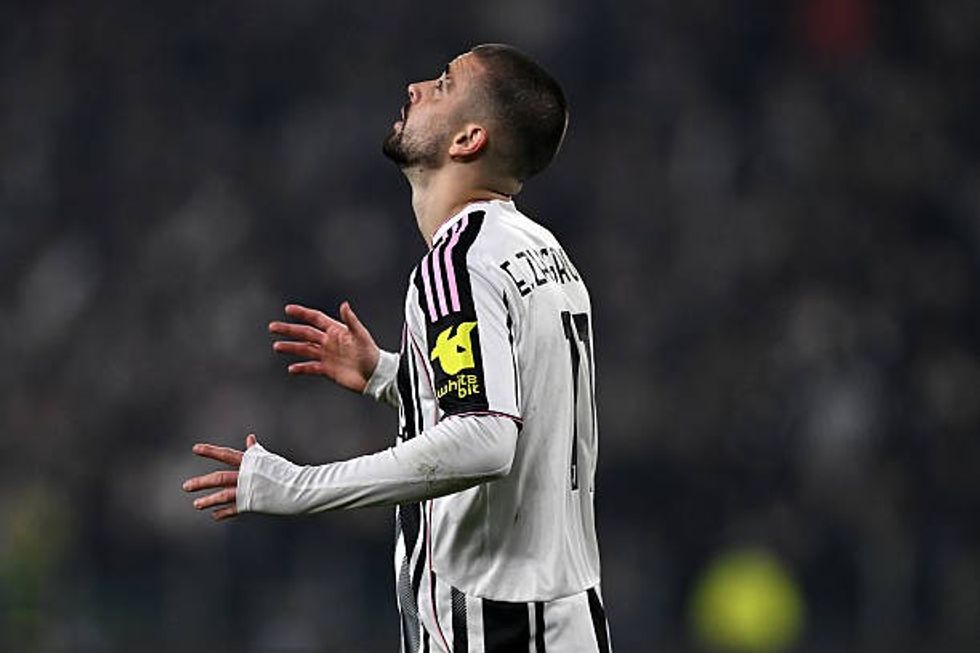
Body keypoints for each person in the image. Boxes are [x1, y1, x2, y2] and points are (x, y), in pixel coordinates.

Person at [183, 43, 611, 653]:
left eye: (443, 84)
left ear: (468, 139)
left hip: (497, 623)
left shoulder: (458, 262)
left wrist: (299, 487)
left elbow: (486, 437)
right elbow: (524, 408)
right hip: (562, 615)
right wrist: (392, 377)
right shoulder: (539, 250)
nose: (416, 88)